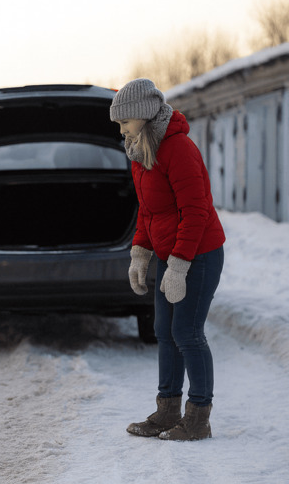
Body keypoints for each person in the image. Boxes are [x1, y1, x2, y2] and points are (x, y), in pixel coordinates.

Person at [110, 78, 226, 441]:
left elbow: (196, 212)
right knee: (164, 332)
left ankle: (197, 419)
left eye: (124, 121)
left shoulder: (179, 149)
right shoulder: (140, 153)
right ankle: (166, 412)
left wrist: (178, 265)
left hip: (199, 253)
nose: (120, 128)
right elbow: (149, 212)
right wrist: (139, 256)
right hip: (168, 253)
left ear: (143, 115)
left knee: (187, 333)